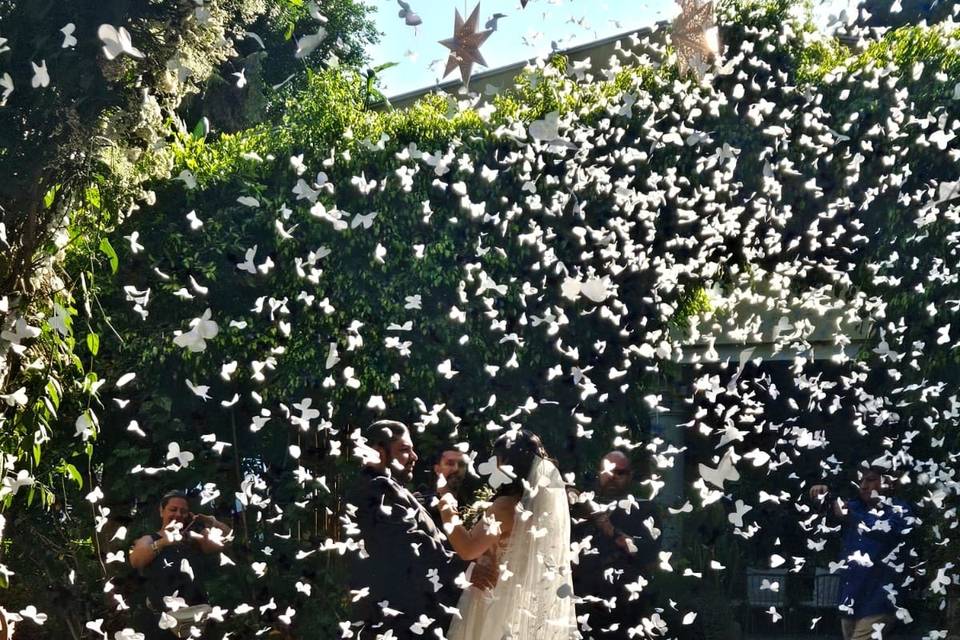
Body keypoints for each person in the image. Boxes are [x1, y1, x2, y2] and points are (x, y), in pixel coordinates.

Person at [346, 420, 485, 639]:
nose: (414, 457)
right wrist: (465, 569)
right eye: (404, 450)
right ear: (377, 452)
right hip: (397, 623)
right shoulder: (377, 489)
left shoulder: (386, 487)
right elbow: (410, 546)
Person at [440, 428, 577, 640]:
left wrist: (446, 501)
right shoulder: (542, 511)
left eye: (498, 460)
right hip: (521, 605)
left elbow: (467, 549)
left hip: (492, 603)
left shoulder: (505, 507)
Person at [808, 463, 919, 640]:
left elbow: (885, 531)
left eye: (871, 480)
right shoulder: (856, 506)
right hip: (851, 599)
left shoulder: (902, 511)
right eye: (861, 481)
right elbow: (826, 516)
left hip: (881, 601)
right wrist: (821, 494)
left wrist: (851, 516)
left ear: (889, 482)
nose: (864, 485)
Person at [572, 451, 660, 638]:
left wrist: (609, 528)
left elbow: (647, 553)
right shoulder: (582, 507)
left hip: (625, 611)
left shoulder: (643, 510)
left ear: (630, 476)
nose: (612, 477)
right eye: (608, 470)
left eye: (620, 473)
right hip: (582, 607)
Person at [128, 490, 232, 639]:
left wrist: (210, 521)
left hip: (197, 619)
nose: (178, 515)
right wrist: (164, 542)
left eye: (183, 511)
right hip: (163, 621)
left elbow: (227, 540)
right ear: (161, 511)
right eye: (173, 509)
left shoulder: (194, 538)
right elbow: (136, 560)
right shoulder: (150, 539)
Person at [416, 447, 469, 527]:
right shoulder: (422, 505)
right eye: (450, 463)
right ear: (437, 469)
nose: (456, 469)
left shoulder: (468, 506)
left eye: (461, 465)